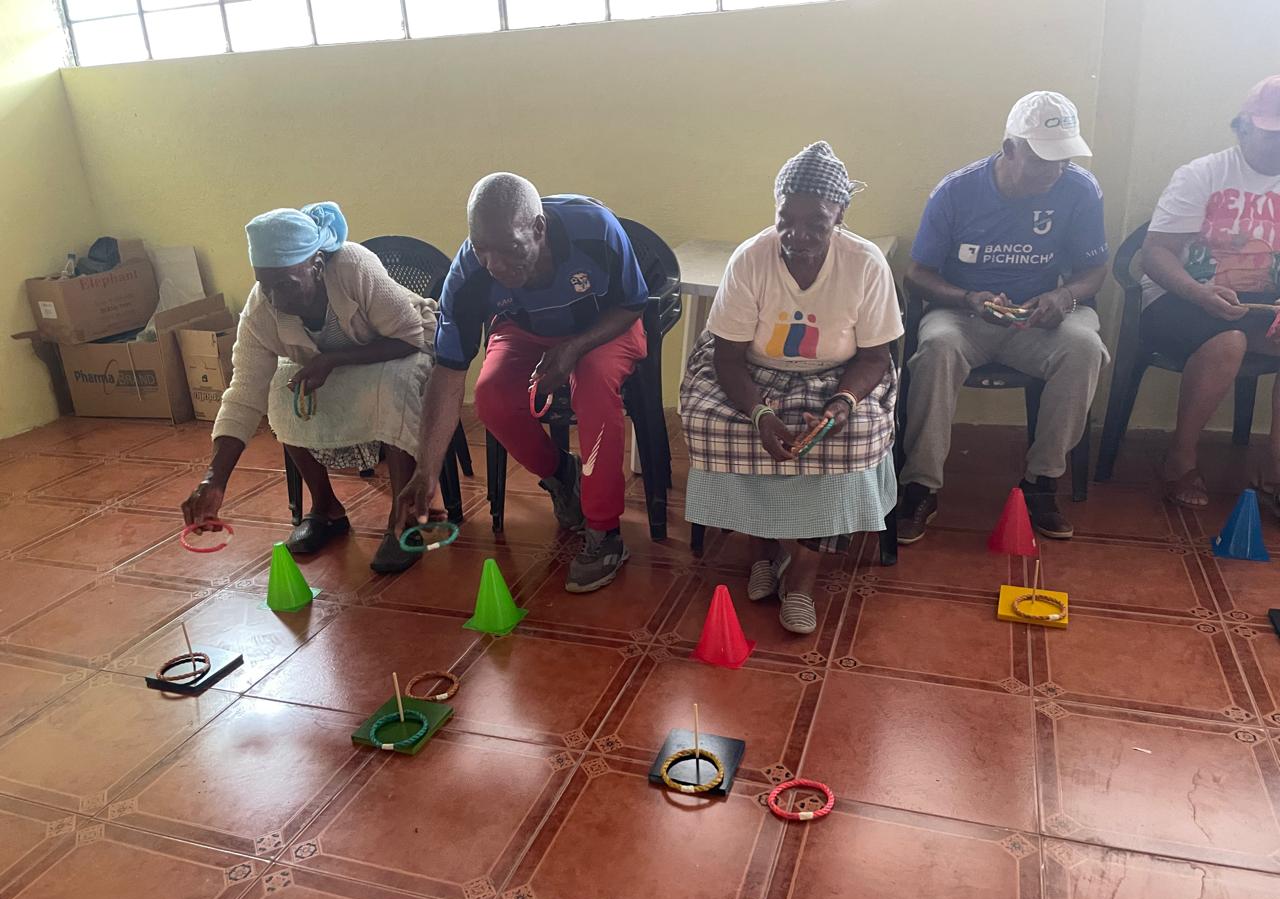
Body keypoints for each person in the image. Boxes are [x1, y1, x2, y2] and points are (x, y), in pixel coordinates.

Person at [681, 142, 901, 634]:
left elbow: (875, 357)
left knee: (852, 435)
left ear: (839, 215)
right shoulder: (751, 258)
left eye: (815, 223)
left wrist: (841, 404)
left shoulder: (865, 263)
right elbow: (727, 357)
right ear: (775, 210)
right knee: (715, 423)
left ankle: (802, 574)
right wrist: (760, 414)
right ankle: (761, 550)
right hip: (753, 372)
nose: (797, 235)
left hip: (841, 376)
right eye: (786, 220)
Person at [399, 174, 649, 593]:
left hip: (603, 326)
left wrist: (573, 349)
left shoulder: (596, 229)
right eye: (482, 249)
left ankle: (605, 531)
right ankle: (562, 474)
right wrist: (426, 471)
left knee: (594, 383)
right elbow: (448, 372)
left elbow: (633, 303)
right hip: (524, 328)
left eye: (509, 249)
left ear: (538, 228)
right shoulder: (469, 274)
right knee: (491, 396)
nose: (494, 265)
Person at [898, 91, 1110, 543]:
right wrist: (969, 298)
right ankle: (920, 486)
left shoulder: (1080, 189)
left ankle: (1041, 482)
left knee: (1085, 348)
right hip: (963, 315)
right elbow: (916, 274)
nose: (1054, 171)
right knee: (936, 348)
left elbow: (1095, 270)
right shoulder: (957, 191)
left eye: (1063, 159)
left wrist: (1064, 296)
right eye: (1042, 160)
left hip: (1040, 318)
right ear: (1009, 148)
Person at [181, 202, 436, 574]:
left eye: (286, 285)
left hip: (402, 345)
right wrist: (214, 479)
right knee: (280, 391)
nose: (276, 299)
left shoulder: (354, 267)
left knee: (393, 385)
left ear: (316, 265)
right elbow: (244, 391)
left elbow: (411, 337)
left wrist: (332, 360)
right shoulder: (261, 309)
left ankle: (404, 519)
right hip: (332, 362)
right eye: (265, 285)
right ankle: (326, 508)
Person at [1140, 75, 1280, 512]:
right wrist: (1198, 293)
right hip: (1182, 298)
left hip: (1261, 305)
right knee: (1228, 341)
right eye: (1272, 134)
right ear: (1243, 127)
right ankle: (1180, 458)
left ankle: (1276, 469)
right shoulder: (1203, 174)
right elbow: (1155, 254)